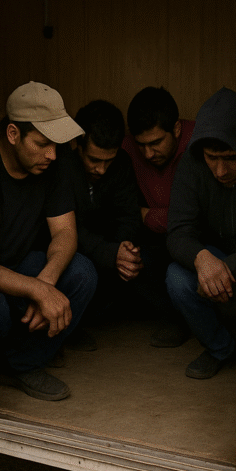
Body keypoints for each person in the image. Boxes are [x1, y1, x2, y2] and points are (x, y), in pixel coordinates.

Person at [0, 82, 97, 401]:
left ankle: (22, 364)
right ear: (13, 134)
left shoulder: (53, 160)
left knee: (82, 274)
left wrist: (47, 281)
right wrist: (39, 291)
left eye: (56, 144)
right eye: (41, 144)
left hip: (25, 265)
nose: (52, 154)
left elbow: (65, 233)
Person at [165, 87, 236, 379]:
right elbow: (177, 232)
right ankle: (221, 350)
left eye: (230, 158)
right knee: (176, 278)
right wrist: (202, 259)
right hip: (215, 260)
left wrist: (227, 267)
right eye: (213, 157)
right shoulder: (193, 163)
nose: (220, 170)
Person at [120, 86, 195, 346]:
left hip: (194, 238)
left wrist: (148, 216)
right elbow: (123, 209)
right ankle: (175, 318)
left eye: (155, 143)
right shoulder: (127, 147)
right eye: (141, 145)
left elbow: (194, 218)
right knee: (129, 258)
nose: (148, 153)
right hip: (154, 240)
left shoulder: (197, 143)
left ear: (176, 129)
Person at [64, 100, 145, 321]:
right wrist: (110, 253)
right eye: (93, 160)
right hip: (76, 252)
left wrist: (123, 250)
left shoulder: (122, 163)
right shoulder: (63, 167)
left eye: (108, 161)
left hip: (110, 249)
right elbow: (67, 230)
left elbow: (128, 216)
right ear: (78, 144)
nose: (100, 169)